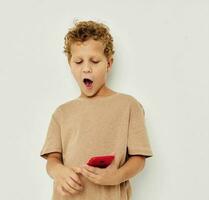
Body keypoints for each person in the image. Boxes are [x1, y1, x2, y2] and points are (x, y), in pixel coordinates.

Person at [40, 19, 153, 200]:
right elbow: (52, 161)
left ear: (108, 63)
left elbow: (139, 159)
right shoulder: (61, 113)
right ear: (70, 65)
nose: (86, 68)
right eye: (78, 62)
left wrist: (116, 176)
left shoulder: (129, 106)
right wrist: (59, 172)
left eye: (94, 61)